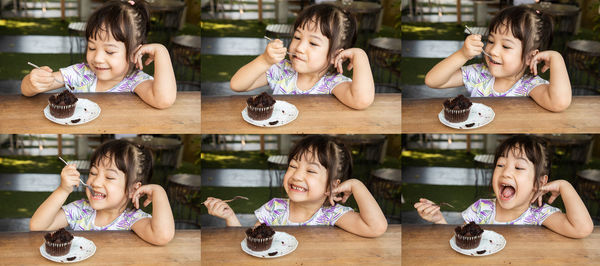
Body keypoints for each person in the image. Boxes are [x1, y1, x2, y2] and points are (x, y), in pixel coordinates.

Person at [204, 135, 388, 237]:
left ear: (332, 186)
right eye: (293, 166)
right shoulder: (273, 209)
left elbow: (376, 228)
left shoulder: (332, 215)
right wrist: (230, 217)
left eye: (311, 171)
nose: (297, 175)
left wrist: (357, 185)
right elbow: (251, 242)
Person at [414, 135, 594, 239]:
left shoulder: (539, 215)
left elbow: (582, 229)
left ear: (539, 183)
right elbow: (461, 242)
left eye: (519, 167)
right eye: (500, 165)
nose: (506, 173)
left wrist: (565, 186)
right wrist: (439, 220)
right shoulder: (480, 209)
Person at [21, 0, 176, 109]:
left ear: (134, 51)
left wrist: (161, 51)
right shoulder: (81, 74)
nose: (97, 58)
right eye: (92, 48)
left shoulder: (135, 81)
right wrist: (32, 82)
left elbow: (164, 100)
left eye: (109, 51)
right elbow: (27, 90)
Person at [424, 6, 572, 112]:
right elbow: (433, 80)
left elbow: (559, 103)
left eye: (506, 46)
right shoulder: (479, 74)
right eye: (491, 41)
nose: (493, 50)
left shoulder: (530, 85)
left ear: (530, 57)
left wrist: (556, 58)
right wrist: (462, 55)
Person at [30, 139, 175, 245]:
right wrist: (63, 190)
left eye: (109, 177)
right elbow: (38, 227)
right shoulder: (81, 210)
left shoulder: (132, 219)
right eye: (93, 173)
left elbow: (162, 236)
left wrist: (159, 192)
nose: (96, 182)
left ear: (133, 189)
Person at [230, 4, 375, 110]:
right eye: (297, 37)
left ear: (335, 55)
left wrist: (360, 56)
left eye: (313, 43)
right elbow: (237, 85)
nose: (299, 47)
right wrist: (264, 60)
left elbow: (361, 101)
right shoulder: (282, 71)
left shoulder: (332, 83)